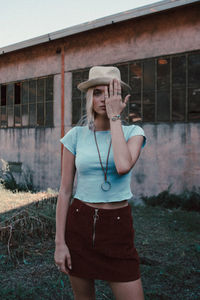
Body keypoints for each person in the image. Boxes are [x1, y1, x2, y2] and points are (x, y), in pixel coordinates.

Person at [54, 66, 146, 300]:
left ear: (120, 98)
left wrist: (115, 117)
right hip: (80, 225)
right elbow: (64, 191)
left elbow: (123, 165)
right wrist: (60, 244)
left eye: (111, 92)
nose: (104, 99)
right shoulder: (75, 136)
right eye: (97, 92)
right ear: (90, 98)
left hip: (117, 228)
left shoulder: (133, 132)